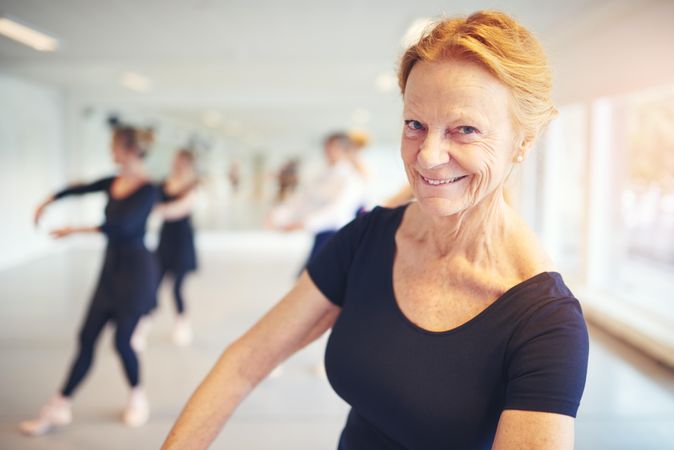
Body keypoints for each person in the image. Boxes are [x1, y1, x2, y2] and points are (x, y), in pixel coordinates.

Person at [161, 10, 589, 450]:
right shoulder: (368, 239)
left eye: (465, 130)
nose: (427, 156)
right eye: (414, 125)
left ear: (523, 141)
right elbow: (245, 361)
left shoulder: (545, 324)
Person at [21, 125, 159, 435]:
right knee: (86, 339)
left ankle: (138, 398)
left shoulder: (149, 189)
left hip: (136, 273)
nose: (112, 151)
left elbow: (122, 227)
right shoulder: (114, 182)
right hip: (110, 272)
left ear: (131, 150)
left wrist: (73, 231)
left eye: (115, 145)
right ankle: (59, 406)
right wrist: (49, 199)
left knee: (123, 341)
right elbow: (81, 188)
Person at [268, 132, 366, 266]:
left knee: (314, 280)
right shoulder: (325, 174)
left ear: (343, 149)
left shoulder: (350, 178)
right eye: (326, 147)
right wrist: (280, 216)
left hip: (338, 235)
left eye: (331, 147)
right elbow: (304, 200)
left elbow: (338, 211)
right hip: (322, 234)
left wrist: (304, 223)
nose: (327, 152)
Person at [153, 149, 199, 346]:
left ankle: (183, 324)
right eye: (175, 161)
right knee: (153, 283)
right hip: (165, 238)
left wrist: (160, 210)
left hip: (182, 240)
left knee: (177, 286)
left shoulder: (192, 186)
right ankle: (140, 325)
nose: (177, 164)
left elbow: (179, 210)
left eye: (181, 161)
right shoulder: (164, 183)